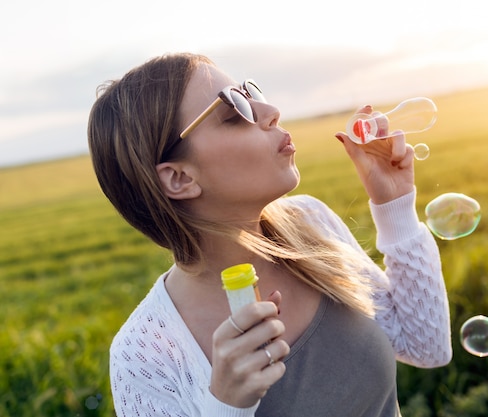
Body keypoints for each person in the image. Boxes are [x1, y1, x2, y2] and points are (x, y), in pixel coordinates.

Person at [87, 52, 452, 417]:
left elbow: (426, 346)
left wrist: (394, 204)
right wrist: (226, 405)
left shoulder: (310, 222)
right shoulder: (142, 355)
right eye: (234, 112)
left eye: (251, 93)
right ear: (179, 178)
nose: (271, 111)